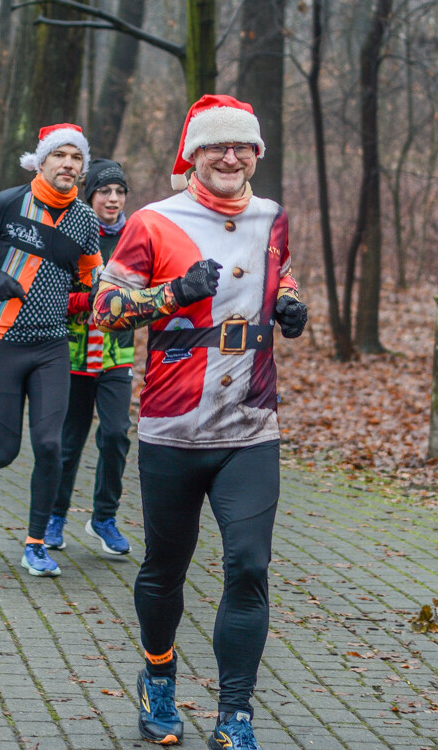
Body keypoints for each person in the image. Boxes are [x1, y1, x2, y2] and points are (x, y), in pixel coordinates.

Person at [92, 95, 308, 750]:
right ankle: (159, 675)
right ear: (193, 153)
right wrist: (175, 293)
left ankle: (234, 712)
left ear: (257, 154)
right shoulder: (153, 221)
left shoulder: (272, 218)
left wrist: (292, 305)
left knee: (248, 565)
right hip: (172, 426)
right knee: (165, 569)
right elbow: (107, 306)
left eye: (243, 145)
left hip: (250, 425)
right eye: (216, 145)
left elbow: (281, 278)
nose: (230, 155)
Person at [0, 124, 101, 579]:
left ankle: (35, 545)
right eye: (60, 156)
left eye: (76, 158)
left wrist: (93, 301)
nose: (69, 164)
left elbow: (92, 276)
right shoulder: (9, 202)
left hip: (52, 345)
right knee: (5, 449)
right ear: (42, 161)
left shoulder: (85, 221)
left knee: (50, 445)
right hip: (3, 339)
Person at [44, 159, 136, 556]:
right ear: (90, 195)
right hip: (75, 354)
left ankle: (104, 518)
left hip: (117, 354)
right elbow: (47, 298)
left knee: (116, 435)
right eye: (104, 192)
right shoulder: (70, 232)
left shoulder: (137, 236)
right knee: (68, 442)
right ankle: (54, 516)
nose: (112, 199)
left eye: (119, 192)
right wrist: (90, 297)